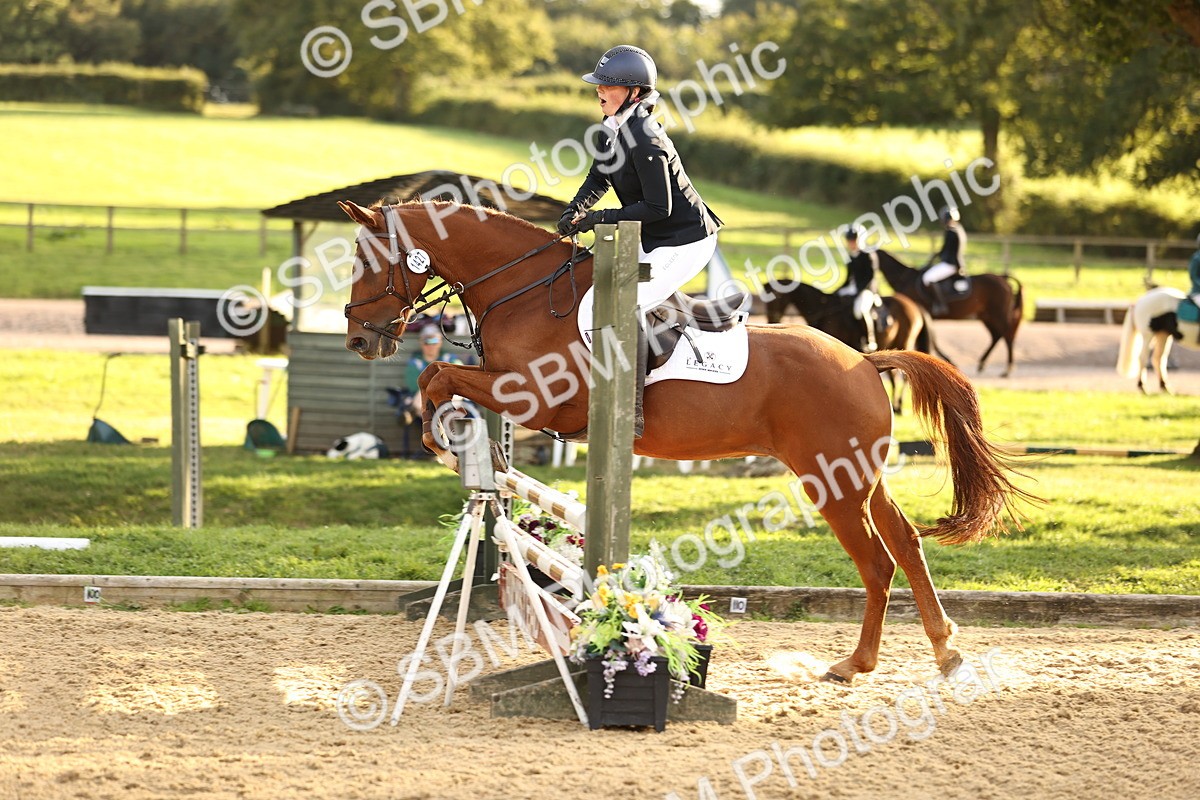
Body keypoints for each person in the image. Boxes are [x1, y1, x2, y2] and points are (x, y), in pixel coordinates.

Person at [555, 44, 723, 438]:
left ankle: (627, 412)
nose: (598, 91)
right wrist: (575, 208)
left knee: (622, 304)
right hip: (656, 236)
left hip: (686, 241)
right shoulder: (610, 130)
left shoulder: (646, 138)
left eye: (607, 86)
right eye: (598, 85)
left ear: (634, 92)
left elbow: (658, 207)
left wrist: (598, 218)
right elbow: (598, 179)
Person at [835, 225, 880, 352]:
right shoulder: (851, 257)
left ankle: (870, 340)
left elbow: (870, 277)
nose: (851, 243)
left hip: (867, 290)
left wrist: (858, 292)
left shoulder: (868, 255)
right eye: (849, 240)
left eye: (853, 239)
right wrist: (837, 291)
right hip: (853, 288)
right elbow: (848, 279)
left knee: (859, 310)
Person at [921, 206, 967, 314]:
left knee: (927, 278)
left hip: (950, 264)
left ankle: (941, 304)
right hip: (952, 263)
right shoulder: (958, 229)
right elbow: (944, 250)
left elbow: (949, 252)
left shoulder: (951, 232)